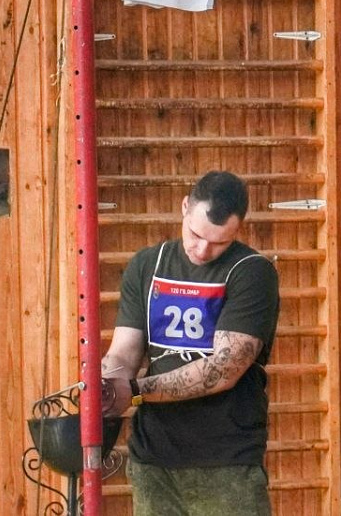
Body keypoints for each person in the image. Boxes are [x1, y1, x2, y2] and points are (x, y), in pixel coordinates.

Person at [100, 171, 280, 516]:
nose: (203, 250)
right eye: (195, 234)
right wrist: (108, 382)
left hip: (226, 460)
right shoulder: (147, 264)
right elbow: (124, 352)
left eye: (219, 242)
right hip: (154, 459)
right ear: (185, 207)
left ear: (238, 229)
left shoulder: (252, 272)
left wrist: (133, 391)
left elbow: (223, 370)